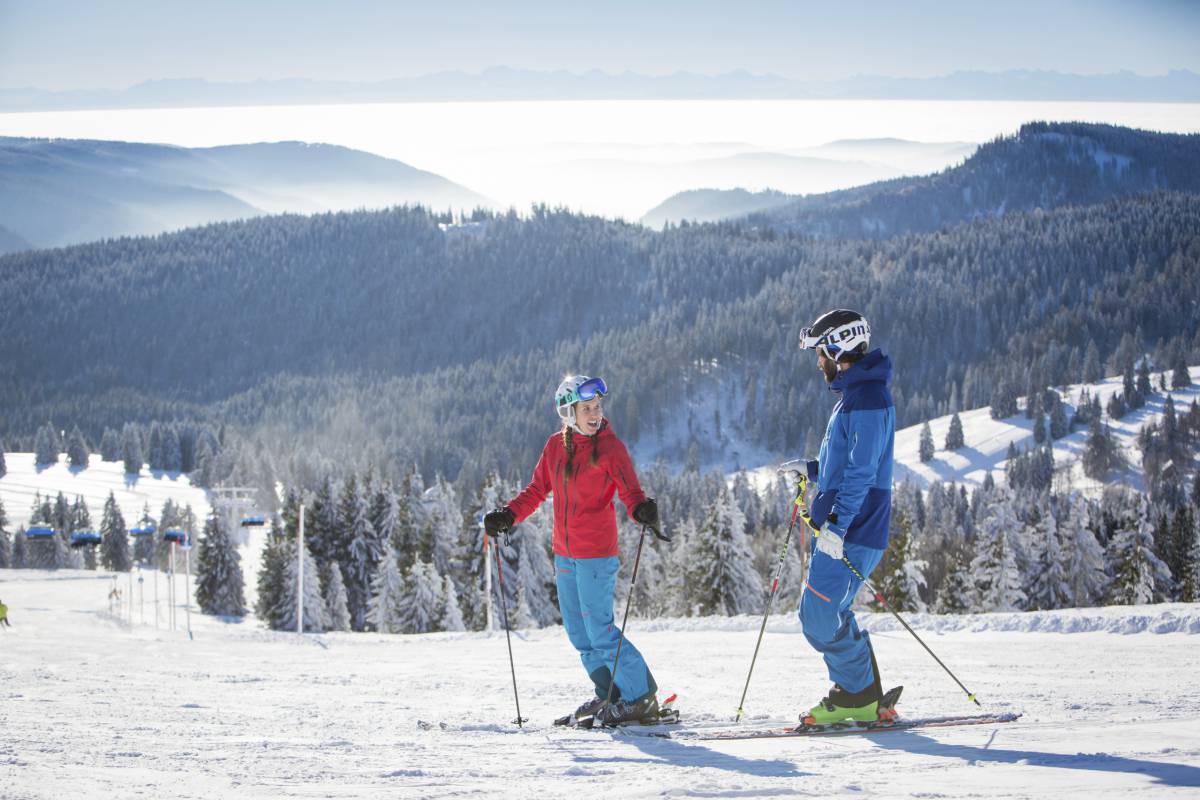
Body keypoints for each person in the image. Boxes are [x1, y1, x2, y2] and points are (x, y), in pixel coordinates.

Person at [484, 375, 666, 726]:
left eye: (598, 407)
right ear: (568, 412)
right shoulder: (555, 447)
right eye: (587, 408)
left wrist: (641, 509)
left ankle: (640, 696)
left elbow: (631, 493)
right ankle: (610, 693)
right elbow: (537, 489)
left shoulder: (610, 448)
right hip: (565, 553)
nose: (596, 414)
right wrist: (509, 515)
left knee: (600, 629)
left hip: (596, 552)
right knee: (579, 633)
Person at [792, 309, 895, 725]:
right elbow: (848, 464)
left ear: (839, 347)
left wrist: (836, 524)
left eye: (821, 352)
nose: (819, 362)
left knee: (817, 617)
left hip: (852, 527)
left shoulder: (867, 398)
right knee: (830, 610)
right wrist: (813, 470)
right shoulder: (856, 396)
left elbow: (863, 471)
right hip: (847, 524)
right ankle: (866, 692)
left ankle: (857, 696)